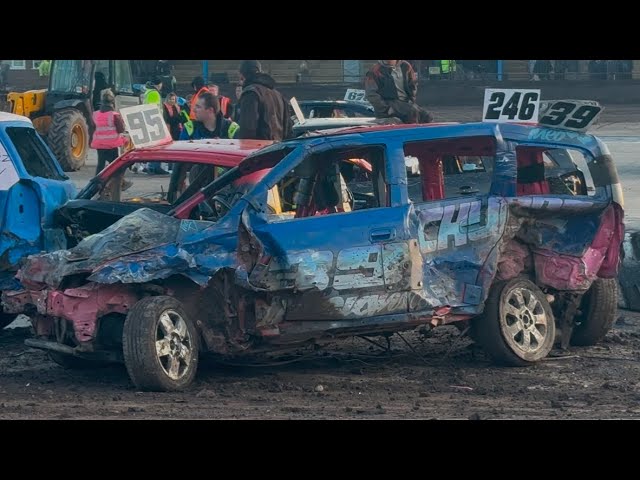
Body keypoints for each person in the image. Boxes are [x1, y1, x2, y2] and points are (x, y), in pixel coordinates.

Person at [236, 60, 292, 141]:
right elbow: (288, 129)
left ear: (242, 76)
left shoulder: (251, 94)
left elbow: (247, 130)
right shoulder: (278, 95)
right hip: (278, 149)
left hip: (259, 150)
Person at [364, 60, 433, 124]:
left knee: (427, 116)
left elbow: (413, 84)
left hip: (405, 103)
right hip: (388, 104)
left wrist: (411, 100)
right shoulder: (375, 70)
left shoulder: (405, 66)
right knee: (411, 113)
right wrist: (386, 109)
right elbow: (371, 94)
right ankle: (411, 135)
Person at [90, 88, 128, 175]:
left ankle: (97, 183)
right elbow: (121, 129)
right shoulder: (114, 115)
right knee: (116, 165)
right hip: (112, 144)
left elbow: (92, 128)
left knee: (100, 164)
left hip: (99, 144)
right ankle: (118, 183)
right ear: (112, 102)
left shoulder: (95, 114)